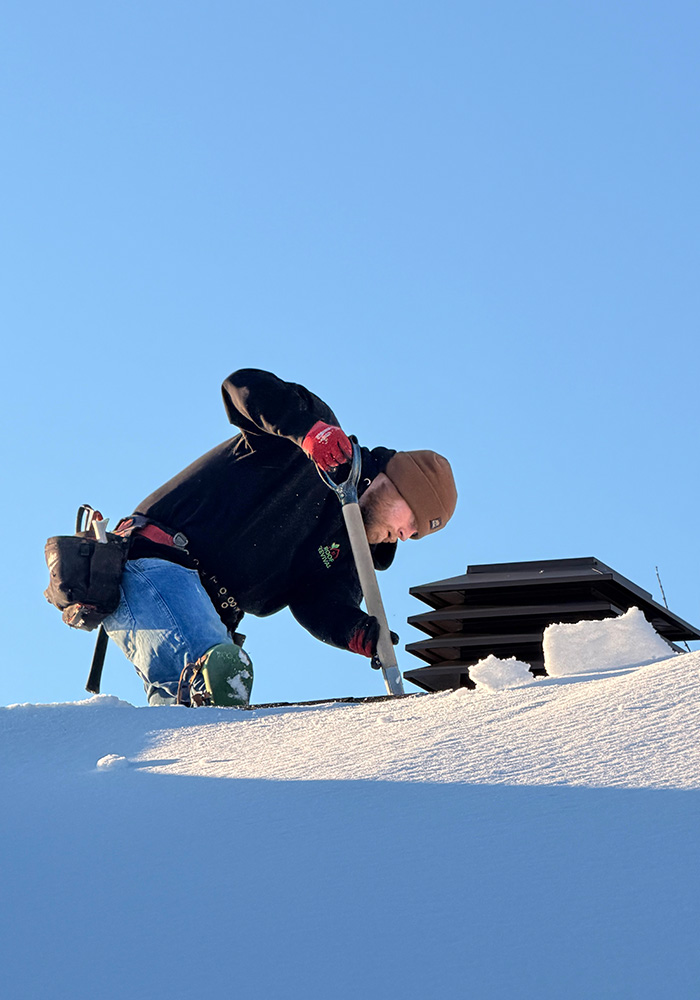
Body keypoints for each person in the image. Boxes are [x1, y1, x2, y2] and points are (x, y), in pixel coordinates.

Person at [103, 368, 457, 706]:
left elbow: (317, 603)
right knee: (216, 680)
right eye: (415, 520)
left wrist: (353, 629)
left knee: (209, 706)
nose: (408, 536)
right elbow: (243, 385)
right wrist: (305, 431)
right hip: (160, 564)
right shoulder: (316, 447)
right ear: (393, 484)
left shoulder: (347, 551)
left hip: (209, 611)